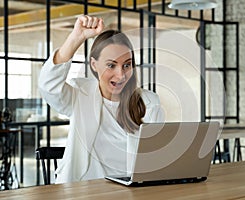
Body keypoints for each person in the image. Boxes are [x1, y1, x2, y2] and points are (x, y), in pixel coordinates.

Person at [38, 15, 164, 184]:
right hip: (83, 189)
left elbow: (155, 159)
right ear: (94, 64)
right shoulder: (80, 94)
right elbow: (48, 85)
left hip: (133, 191)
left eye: (127, 65)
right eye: (111, 65)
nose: (120, 75)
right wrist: (76, 38)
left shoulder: (149, 102)